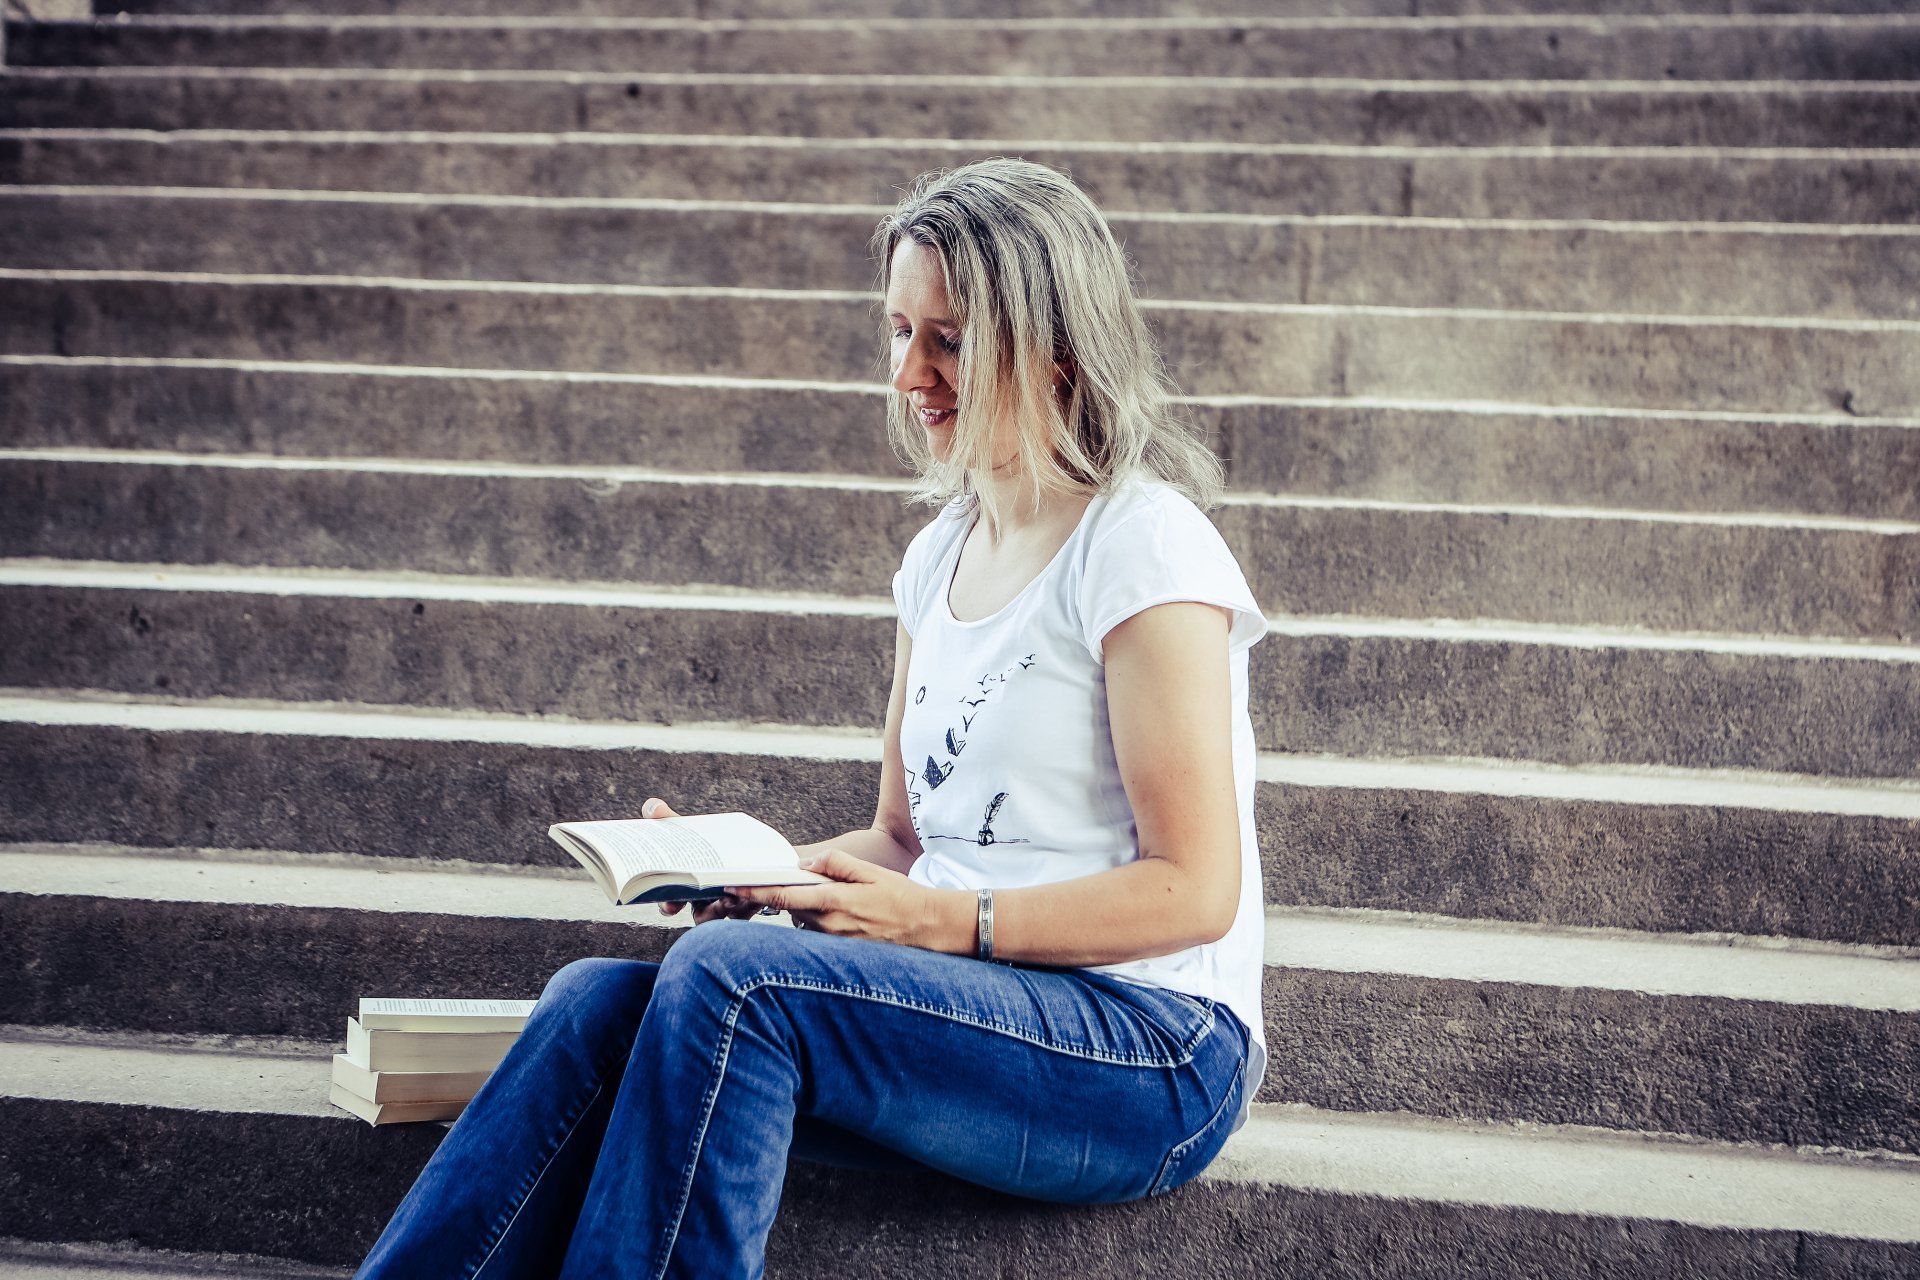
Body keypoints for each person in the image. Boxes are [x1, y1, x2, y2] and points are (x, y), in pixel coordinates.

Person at [354, 157, 1270, 1280]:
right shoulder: (939, 553)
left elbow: (1194, 888)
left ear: (1055, 347)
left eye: (949, 339)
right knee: (597, 998)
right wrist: (751, 873)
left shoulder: (1143, 545)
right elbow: (898, 839)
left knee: (736, 977)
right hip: (979, 1003)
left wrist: (945, 922)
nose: (909, 375)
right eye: (898, 332)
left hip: (1148, 1050)